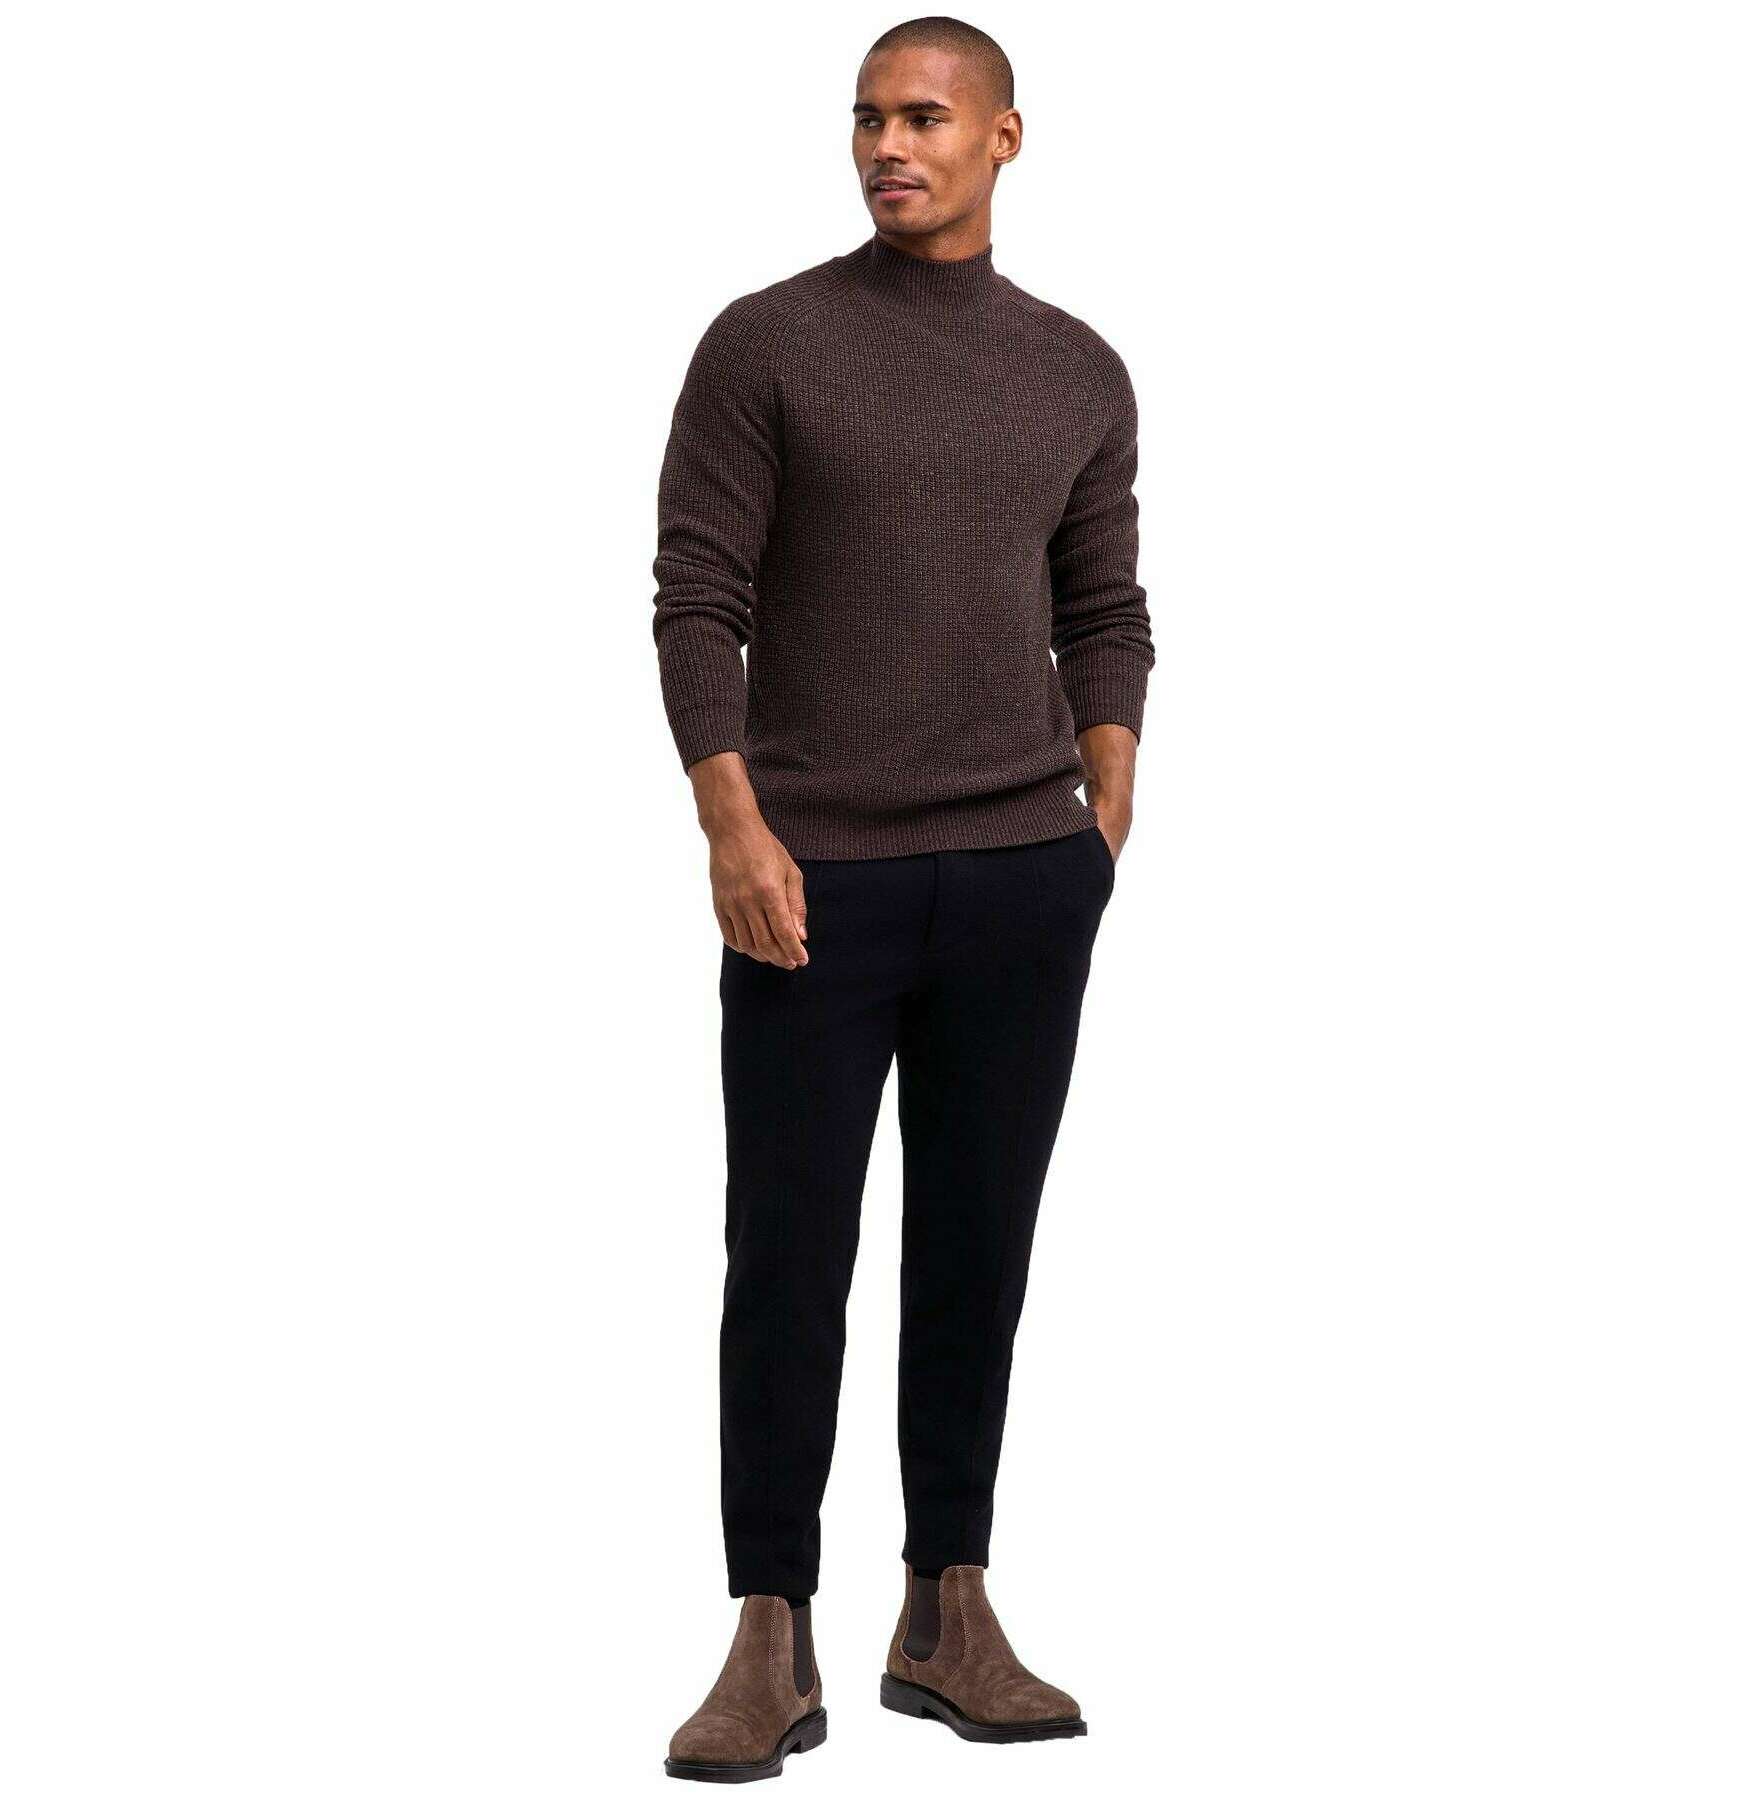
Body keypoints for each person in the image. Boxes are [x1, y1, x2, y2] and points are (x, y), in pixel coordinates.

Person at [651, 16, 1154, 1780]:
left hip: (1023, 877)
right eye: (868, 117)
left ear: (1005, 137)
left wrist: (1101, 816)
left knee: (976, 1252)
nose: (889, 145)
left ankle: (950, 1608)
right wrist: (733, 825)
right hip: (816, 879)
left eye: (926, 117)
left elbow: (1105, 607)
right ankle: (767, 1632)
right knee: (787, 1257)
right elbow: (695, 599)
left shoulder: (1077, 369)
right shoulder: (768, 344)